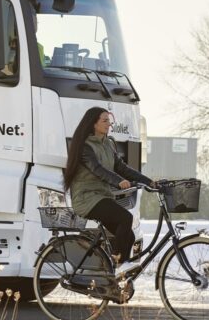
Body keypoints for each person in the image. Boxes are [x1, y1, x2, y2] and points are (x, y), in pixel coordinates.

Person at [64, 106, 154, 263]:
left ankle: (118, 277)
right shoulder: (84, 147)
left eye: (109, 121)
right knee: (126, 218)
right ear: (93, 123)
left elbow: (122, 168)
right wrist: (118, 181)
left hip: (102, 197)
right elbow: (97, 170)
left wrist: (149, 181)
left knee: (129, 236)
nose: (109, 124)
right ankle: (116, 260)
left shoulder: (108, 144)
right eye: (105, 121)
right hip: (87, 198)